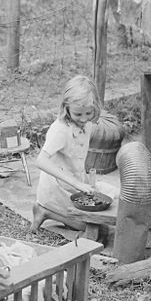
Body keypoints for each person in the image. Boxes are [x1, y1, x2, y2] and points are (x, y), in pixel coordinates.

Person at [30, 75, 116, 233]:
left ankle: (61, 213)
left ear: (95, 107)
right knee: (97, 229)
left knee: (111, 204)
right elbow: (41, 160)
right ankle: (45, 210)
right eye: (78, 114)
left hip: (74, 184)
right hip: (56, 190)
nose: (83, 119)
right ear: (66, 108)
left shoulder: (87, 124)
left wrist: (84, 180)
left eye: (88, 113)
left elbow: (76, 155)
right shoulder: (60, 130)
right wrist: (77, 184)